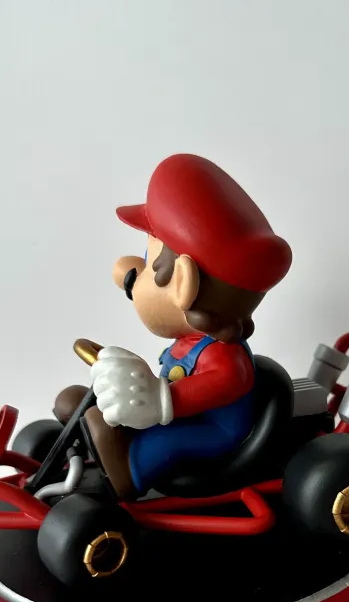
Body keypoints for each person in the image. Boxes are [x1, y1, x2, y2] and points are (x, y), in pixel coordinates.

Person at [54, 153, 292, 500]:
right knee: (137, 422)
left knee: (168, 440)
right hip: (178, 412)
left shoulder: (226, 359)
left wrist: (158, 399)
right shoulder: (189, 341)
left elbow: (207, 390)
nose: (126, 272)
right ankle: (102, 429)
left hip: (213, 429)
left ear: (183, 284)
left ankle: (128, 472)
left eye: (149, 262)